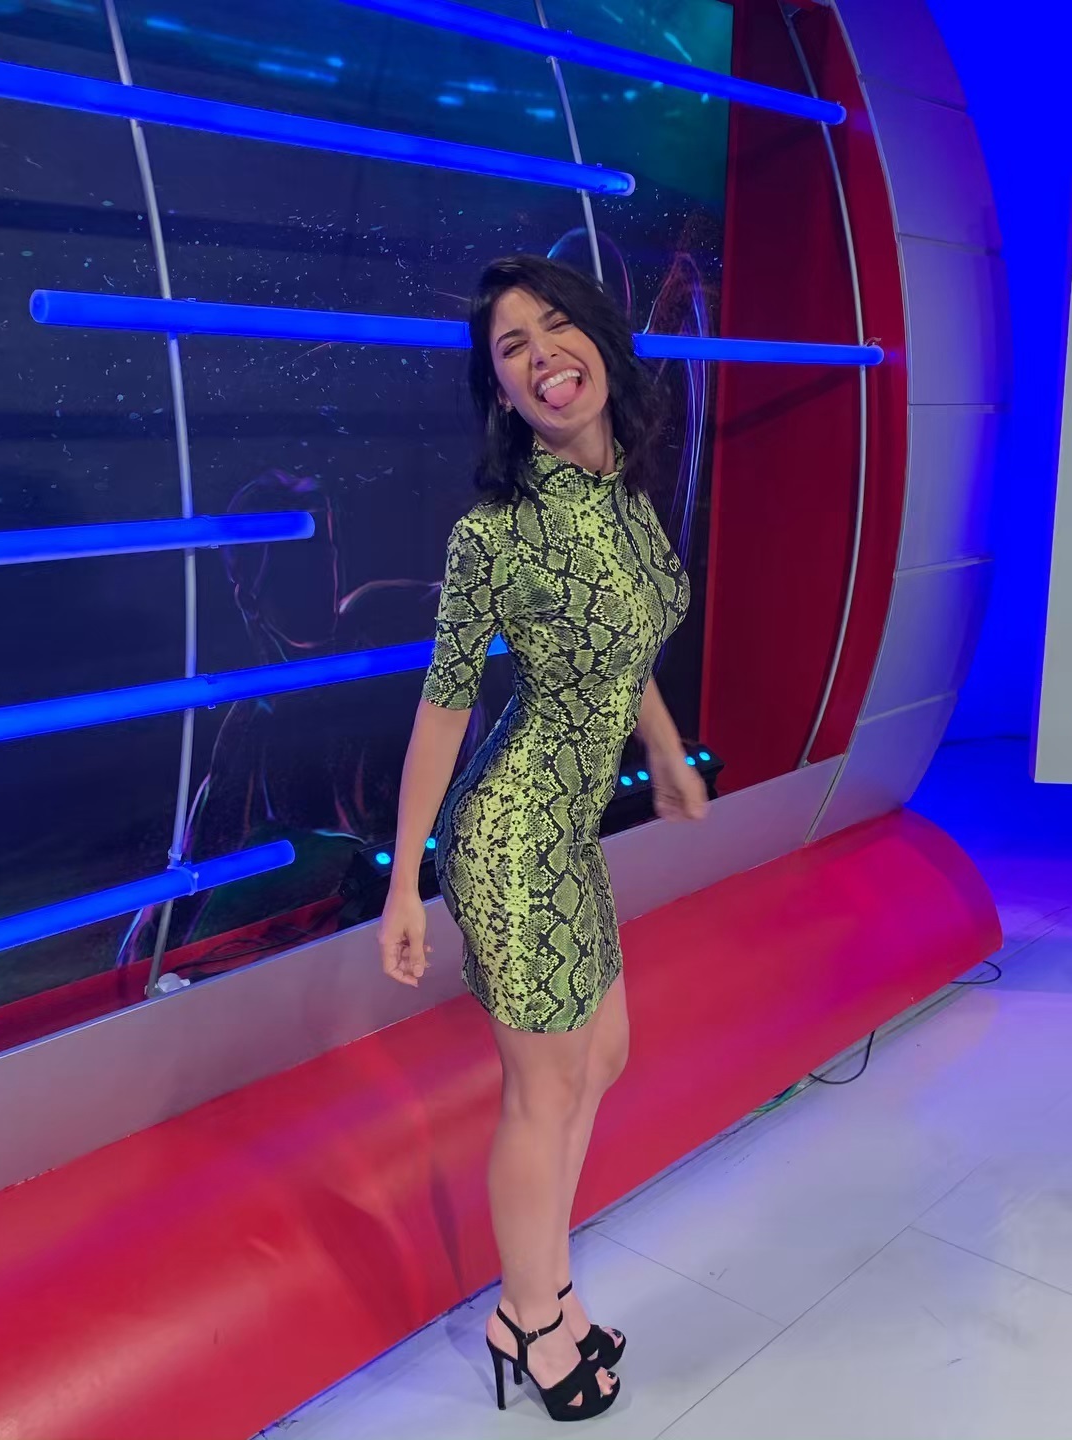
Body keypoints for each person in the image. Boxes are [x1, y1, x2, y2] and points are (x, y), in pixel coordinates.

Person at [378, 255, 709, 1422]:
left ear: (602, 345)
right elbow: (444, 706)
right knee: (544, 1084)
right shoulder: (498, 534)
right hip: (513, 834)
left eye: (555, 326)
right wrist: (406, 881)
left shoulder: (624, 500)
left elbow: (628, 651)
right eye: (510, 347)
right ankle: (528, 1314)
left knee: (601, 1056)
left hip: (570, 829)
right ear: (503, 393)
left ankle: (545, 1290)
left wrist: (666, 749)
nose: (539, 356)